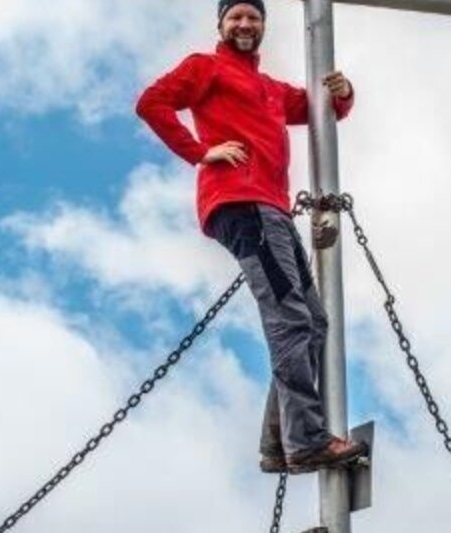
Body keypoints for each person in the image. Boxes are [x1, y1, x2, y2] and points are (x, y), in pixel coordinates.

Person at [136, 0, 367, 475]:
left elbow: (322, 108)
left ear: (263, 25)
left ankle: (278, 444)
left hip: (274, 211)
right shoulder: (206, 68)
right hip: (242, 205)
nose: (244, 24)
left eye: (253, 17)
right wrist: (201, 152)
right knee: (292, 320)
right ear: (220, 24)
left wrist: (342, 94)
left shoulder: (269, 89)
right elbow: (151, 103)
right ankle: (305, 441)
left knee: (314, 324)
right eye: (235, 16)